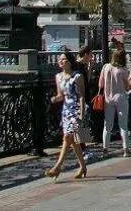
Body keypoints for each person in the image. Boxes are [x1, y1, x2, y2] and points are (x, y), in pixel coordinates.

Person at [45, 49, 88, 181]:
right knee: (73, 141)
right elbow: (60, 95)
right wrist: (54, 99)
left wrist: (82, 113)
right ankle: (83, 166)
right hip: (66, 110)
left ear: (69, 62)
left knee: (67, 137)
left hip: (75, 109)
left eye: (63, 59)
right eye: (60, 59)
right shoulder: (58, 77)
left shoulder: (77, 76)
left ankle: (57, 167)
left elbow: (81, 96)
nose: (61, 61)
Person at [98, 47, 131, 156]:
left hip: (108, 99)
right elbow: (127, 87)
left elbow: (101, 84)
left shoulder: (106, 67)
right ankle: (126, 149)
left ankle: (105, 149)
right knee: (123, 125)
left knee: (107, 125)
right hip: (121, 98)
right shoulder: (124, 70)